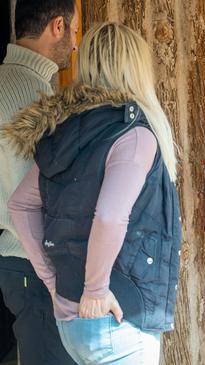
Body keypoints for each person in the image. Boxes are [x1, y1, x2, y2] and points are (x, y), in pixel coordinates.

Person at [4, 22, 182, 365]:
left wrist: (53, 283)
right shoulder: (133, 133)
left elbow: (20, 204)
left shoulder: (61, 132)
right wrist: (96, 289)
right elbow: (111, 216)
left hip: (72, 320)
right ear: (136, 69)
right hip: (118, 317)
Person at [0, 0, 78, 363]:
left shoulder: (27, 85)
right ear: (58, 26)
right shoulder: (27, 95)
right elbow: (34, 200)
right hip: (35, 265)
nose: (75, 43)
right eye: (75, 31)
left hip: (23, 266)